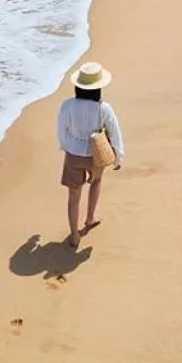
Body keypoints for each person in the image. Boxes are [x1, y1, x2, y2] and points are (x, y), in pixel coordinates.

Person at [56, 59, 124, 248]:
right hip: (96, 154)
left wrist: (63, 145)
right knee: (96, 182)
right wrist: (118, 155)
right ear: (98, 89)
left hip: (73, 154)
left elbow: (62, 129)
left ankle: (74, 234)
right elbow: (115, 132)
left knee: (73, 195)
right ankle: (90, 217)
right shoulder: (104, 108)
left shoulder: (67, 105)